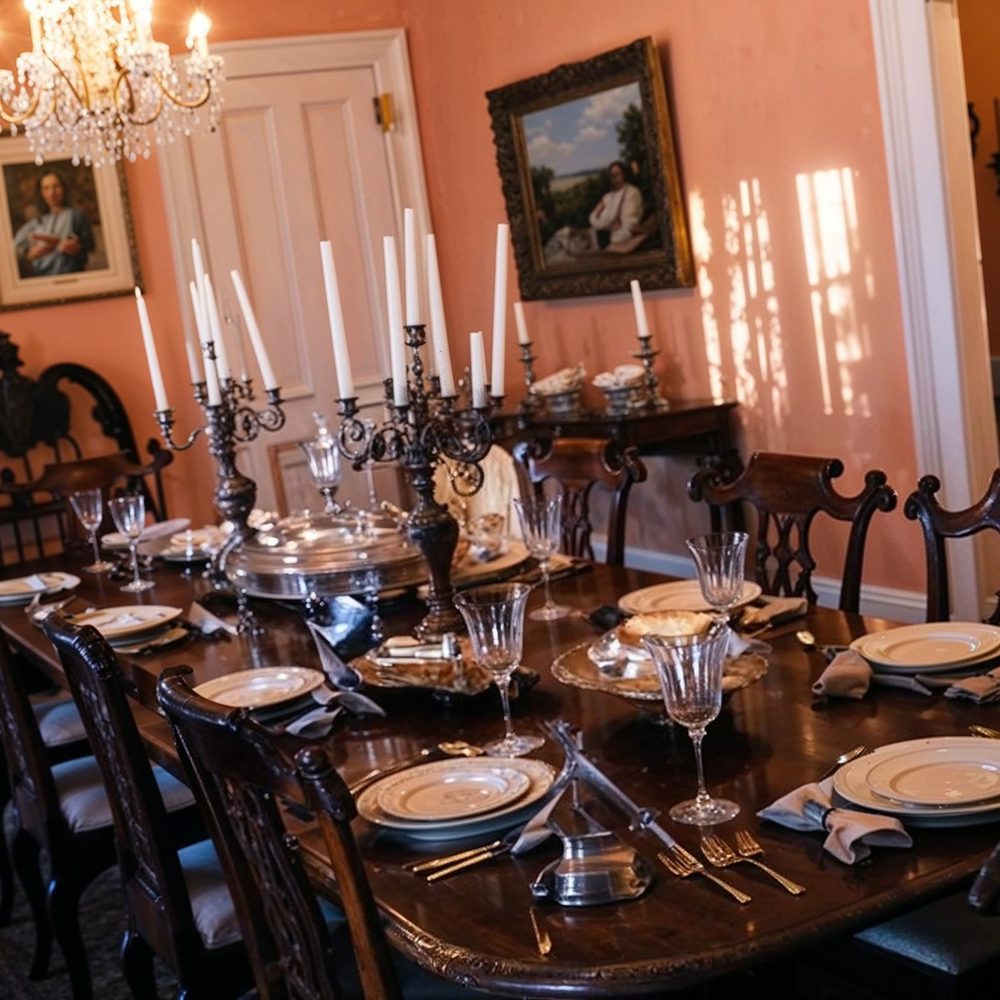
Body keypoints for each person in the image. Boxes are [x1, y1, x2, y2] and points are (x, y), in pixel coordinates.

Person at [13, 170, 94, 277]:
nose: (52, 193)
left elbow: (89, 248)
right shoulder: (35, 222)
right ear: (41, 192)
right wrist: (29, 255)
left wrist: (77, 249)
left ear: (64, 188)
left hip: (73, 276)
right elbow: (15, 249)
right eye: (46, 188)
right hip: (42, 279)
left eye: (56, 186)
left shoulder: (76, 216)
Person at [588, 160, 643, 249]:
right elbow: (591, 218)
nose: (615, 178)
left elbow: (629, 225)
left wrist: (601, 220)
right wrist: (605, 223)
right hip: (603, 236)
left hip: (621, 237)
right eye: (612, 176)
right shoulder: (607, 197)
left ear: (624, 175)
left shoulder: (632, 192)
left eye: (618, 174)